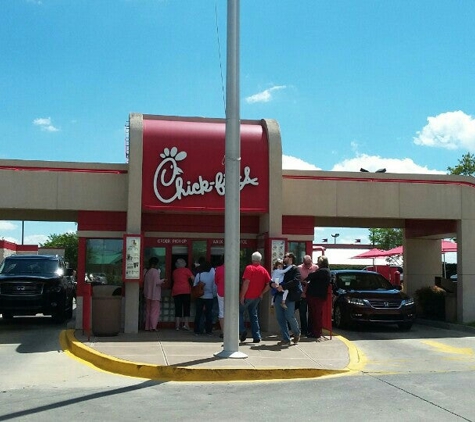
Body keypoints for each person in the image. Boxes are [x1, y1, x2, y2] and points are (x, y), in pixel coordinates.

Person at [271, 252, 302, 346]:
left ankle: (296, 333)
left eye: (286, 256)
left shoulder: (295, 269)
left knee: (289, 316)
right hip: (279, 295)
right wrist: (271, 284)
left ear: (291, 258)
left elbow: (296, 281)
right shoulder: (282, 267)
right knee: (280, 318)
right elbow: (274, 278)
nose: (284, 258)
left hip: (289, 296)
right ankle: (286, 338)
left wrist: (283, 286)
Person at [239, 251, 271, 344]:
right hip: (257, 296)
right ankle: (256, 336)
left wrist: (242, 296)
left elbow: (246, 282)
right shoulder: (263, 270)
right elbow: (269, 284)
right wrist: (262, 293)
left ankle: (242, 330)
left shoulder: (249, 268)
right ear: (260, 260)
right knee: (254, 315)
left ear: (252, 259)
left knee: (239, 312)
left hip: (248, 295)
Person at [305, 255, 331, 341]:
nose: (318, 263)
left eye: (319, 262)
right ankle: (313, 331)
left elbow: (310, 276)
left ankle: (316, 332)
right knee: (314, 314)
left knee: (316, 315)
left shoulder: (323, 271)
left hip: (316, 296)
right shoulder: (325, 271)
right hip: (317, 296)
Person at [193, 260, 216, 335]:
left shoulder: (199, 275)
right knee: (209, 314)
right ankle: (208, 330)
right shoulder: (212, 275)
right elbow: (214, 287)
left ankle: (197, 330)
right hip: (209, 296)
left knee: (198, 313)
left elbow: (195, 285)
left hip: (200, 296)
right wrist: (213, 295)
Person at [298, 255, 319, 337]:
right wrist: (302, 282)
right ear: (303, 262)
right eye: (306, 264)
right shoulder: (299, 268)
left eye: (309, 263)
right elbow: (296, 279)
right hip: (302, 294)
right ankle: (304, 330)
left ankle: (310, 330)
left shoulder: (316, 268)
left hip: (312, 294)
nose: (308, 266)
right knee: (302, 313)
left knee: (312, 313)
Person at [143, 257, 165, 332]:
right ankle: (153, 327)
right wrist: (163, 280)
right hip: (155, 294)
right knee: (155, 311)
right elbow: (157, 282)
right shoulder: (155, 271)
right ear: (156, 264)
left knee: (148, 311)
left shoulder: (146, 271)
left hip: (147, 294)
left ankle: (147, 326)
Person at [171, 258, 194, 331]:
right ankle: (186, 324)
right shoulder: (186, 270)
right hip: (185, 290)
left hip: (176, 291)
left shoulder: (174, 272)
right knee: (186, 308)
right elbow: (193, 278)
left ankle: (177, 326)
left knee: (178, 308)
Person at [214, 256, 225, 338]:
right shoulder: (234, 268)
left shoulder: (218, 269)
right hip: (232, 292)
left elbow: (216, 281)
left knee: (222, 312)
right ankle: (232, 331)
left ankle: (223, 331)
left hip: (221, 291)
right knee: (232, 312)